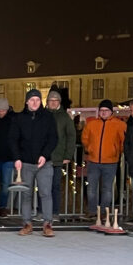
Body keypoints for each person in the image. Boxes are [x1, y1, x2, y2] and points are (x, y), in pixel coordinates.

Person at [9, 89, 58, 237]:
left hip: (45, 163)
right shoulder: (18, 118)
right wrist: (17, 158)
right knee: (26, 195)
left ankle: (47, 224)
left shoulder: (48, 117)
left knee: (46, 193)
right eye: (32, 100)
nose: (35, 102)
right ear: (26, 102)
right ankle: (27, 223)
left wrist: (45, 155)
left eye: (37, 100)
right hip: (25, 163)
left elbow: (53, 138)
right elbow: (13, 140)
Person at [81, 99, 126, 218]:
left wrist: (117, 152)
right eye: (101, 110)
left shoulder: (119, 125)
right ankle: (92, 211)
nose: (103, 112)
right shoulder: (92, 124)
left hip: (110, 162)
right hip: (93, 160)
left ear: (111, 112)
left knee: (107, 189)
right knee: (91, 188)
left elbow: (123, 141)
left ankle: (104, 213)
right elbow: (85, 138)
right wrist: (89, 148)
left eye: (106, 110)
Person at [46, 90, 76, 222]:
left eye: (55, 100)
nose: (53, 103)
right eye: (50, 100)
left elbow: (71, 136)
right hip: (44, 157)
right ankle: (42, 211)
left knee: (55, 186)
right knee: (42, 187)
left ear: (59, 102)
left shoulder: (65, 117)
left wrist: (68, 154)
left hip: (58, 157)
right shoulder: (42, 115)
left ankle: (55, 212)